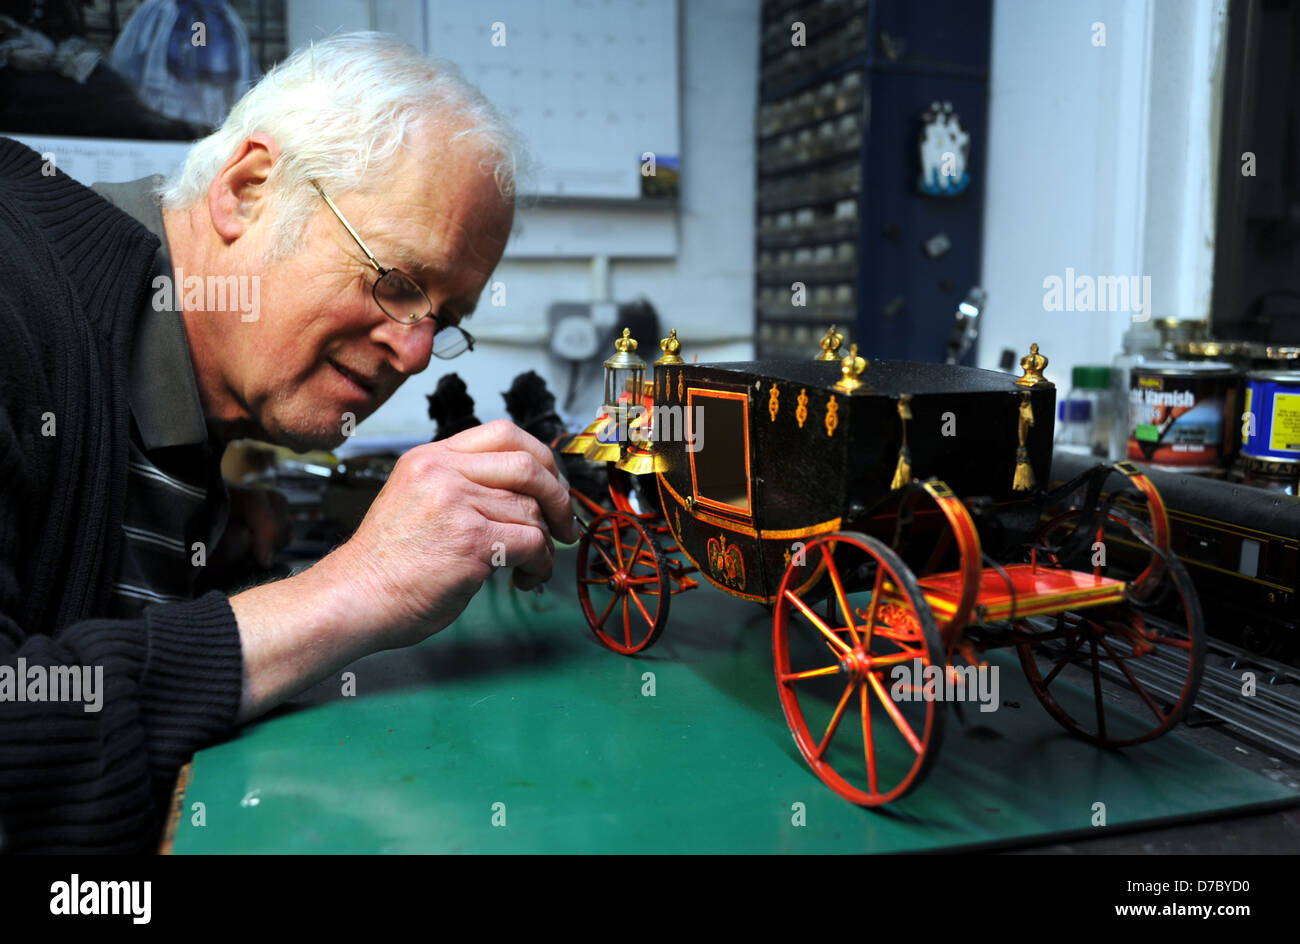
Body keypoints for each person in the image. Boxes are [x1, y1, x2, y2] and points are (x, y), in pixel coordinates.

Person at [0, 32, 578, 853]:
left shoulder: (192, 392)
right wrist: (353, 588)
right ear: (247, 188)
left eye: (445, 321)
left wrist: (218, 537)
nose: (414, 355)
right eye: (398, 283)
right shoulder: (15, 293)